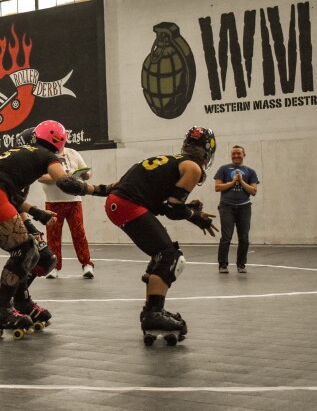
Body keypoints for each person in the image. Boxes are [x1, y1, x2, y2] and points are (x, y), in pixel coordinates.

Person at [65, 126, 218, 345]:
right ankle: (153, 313)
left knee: (161, 254)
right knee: (170, 256)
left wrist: (85, 188)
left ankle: (151, 309)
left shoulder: (164, 159)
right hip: (128, 205)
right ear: (206, 152)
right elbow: (174, 210)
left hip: (118, 203)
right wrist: (195, 216)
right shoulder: (192, 167)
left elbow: (126, 190)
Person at [0, 121, 70, 337]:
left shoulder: (24, 162)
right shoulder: (29, 159)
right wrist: (34, 220)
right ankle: (3, 309)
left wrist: (35, 218)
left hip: (2, 203)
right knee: (26, 251)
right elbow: (9, 197)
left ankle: (22, 301)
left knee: (45, 258)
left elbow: (14, 199)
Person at [39, 145, 94, 278]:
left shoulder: (72, 153)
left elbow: (87, 171)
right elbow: (40, 177)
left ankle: (87, 264)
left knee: (79, 233)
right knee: (53, 236)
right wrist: (62, 178)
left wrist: (86, 175)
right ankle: (53, 267)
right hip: (53, 202)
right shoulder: (44, 155)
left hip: (74, 201)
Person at [214, 145, 259, 273]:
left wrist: (241, 181)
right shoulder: (223, 169)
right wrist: (233, 182)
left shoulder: (250, 171)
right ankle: (223, 265)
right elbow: (217, 187)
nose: (236, 156)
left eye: (238, 153)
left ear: (244, 155)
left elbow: (253, 191)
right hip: (226, 206)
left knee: (244, 238)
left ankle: (241, 265)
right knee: (226, 237)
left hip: (244, 207)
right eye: (233, 153)